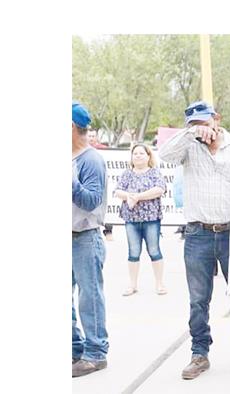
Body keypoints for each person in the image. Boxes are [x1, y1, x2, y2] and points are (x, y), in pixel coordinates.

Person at [158, 100, 230, 379]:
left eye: (204, 123)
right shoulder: (188, 147)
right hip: (198, 233)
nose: (201, 129)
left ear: (216, 119)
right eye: (194, 124)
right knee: (198, 299)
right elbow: (164, 155)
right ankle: (199, 353)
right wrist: (190, 133)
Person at [72, 101, 109, 377]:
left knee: (89, 298)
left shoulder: (91, 160)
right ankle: (74, 348)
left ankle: (96, 353)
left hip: (85, 237)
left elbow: (91, 200)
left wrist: (69, 181)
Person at [114, 143, 168, 296]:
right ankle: (132, 285)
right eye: (135, 153)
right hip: (131, 219)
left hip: (151, 218)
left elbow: (159, 189)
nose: (138, 156)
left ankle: (159, 283)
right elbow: (118, 190)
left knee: (154, 250)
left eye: (141, 153)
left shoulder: (154, 172)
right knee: (133, 252)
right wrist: (129, 196)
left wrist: (138, 197)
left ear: (148, 156)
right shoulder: (127, 173)